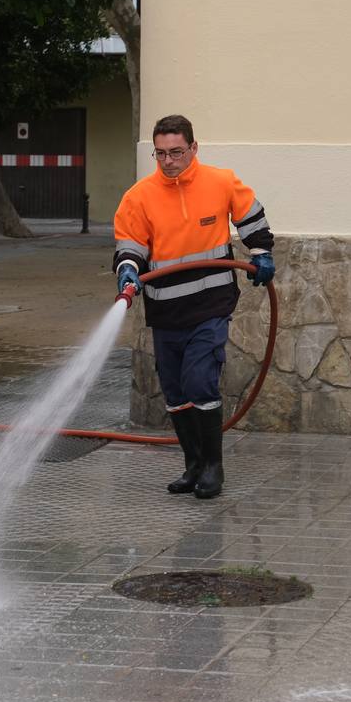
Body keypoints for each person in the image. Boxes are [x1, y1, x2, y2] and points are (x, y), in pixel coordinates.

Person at [113, 114, 275, 499]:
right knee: (174, 391)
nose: (168, 161)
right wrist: (127, 272)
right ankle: (193, 465)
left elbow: (252, 217)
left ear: (193, 148)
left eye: (176, 152)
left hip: (211, 305)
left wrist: (261, 253)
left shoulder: (220, 182)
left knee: (200, 381)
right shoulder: (139, 197)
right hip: (166, 309)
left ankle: (214, 468)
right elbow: (129, 245)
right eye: (161, 153)